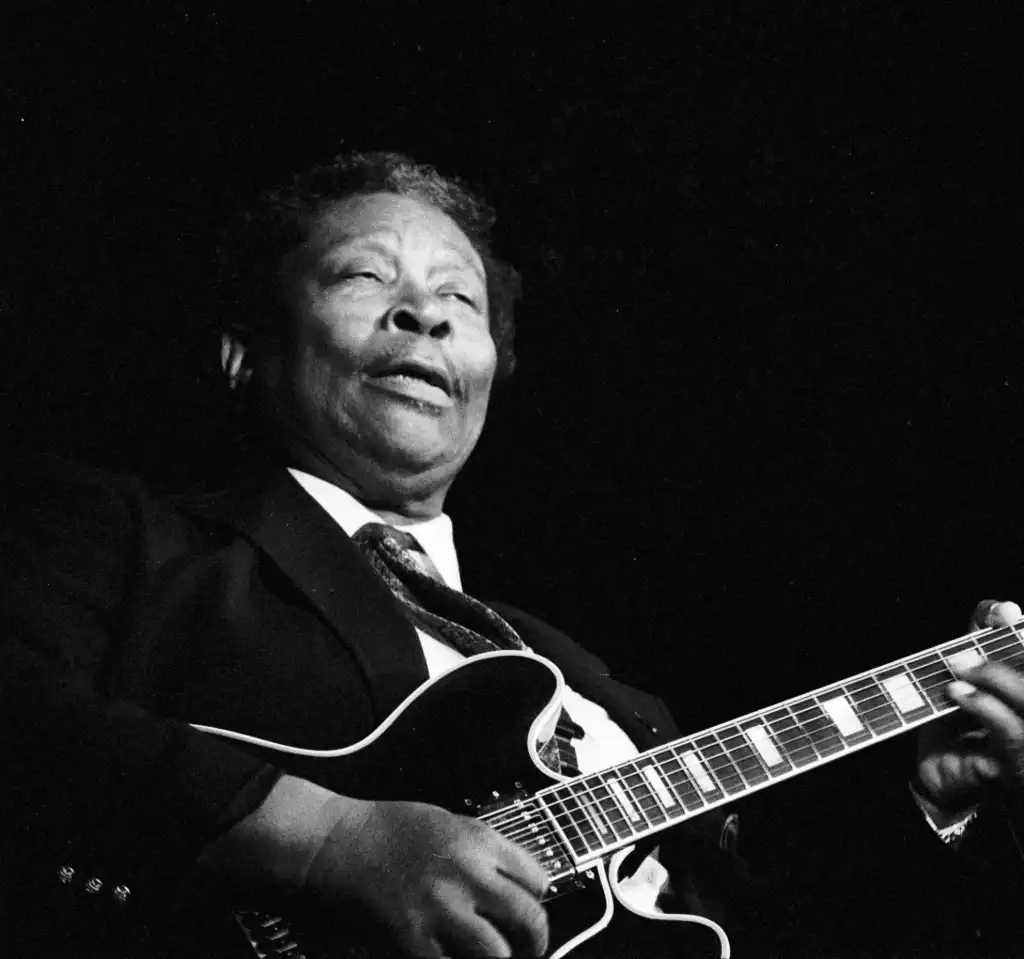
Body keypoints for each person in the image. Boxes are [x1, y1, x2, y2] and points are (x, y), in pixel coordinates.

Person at [0, 151, 753, 958]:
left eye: (459, 297)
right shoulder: (125, 534)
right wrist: (325, 838)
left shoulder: (588, 678)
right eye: (365, 275)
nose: (425, 314)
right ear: (245, 349)